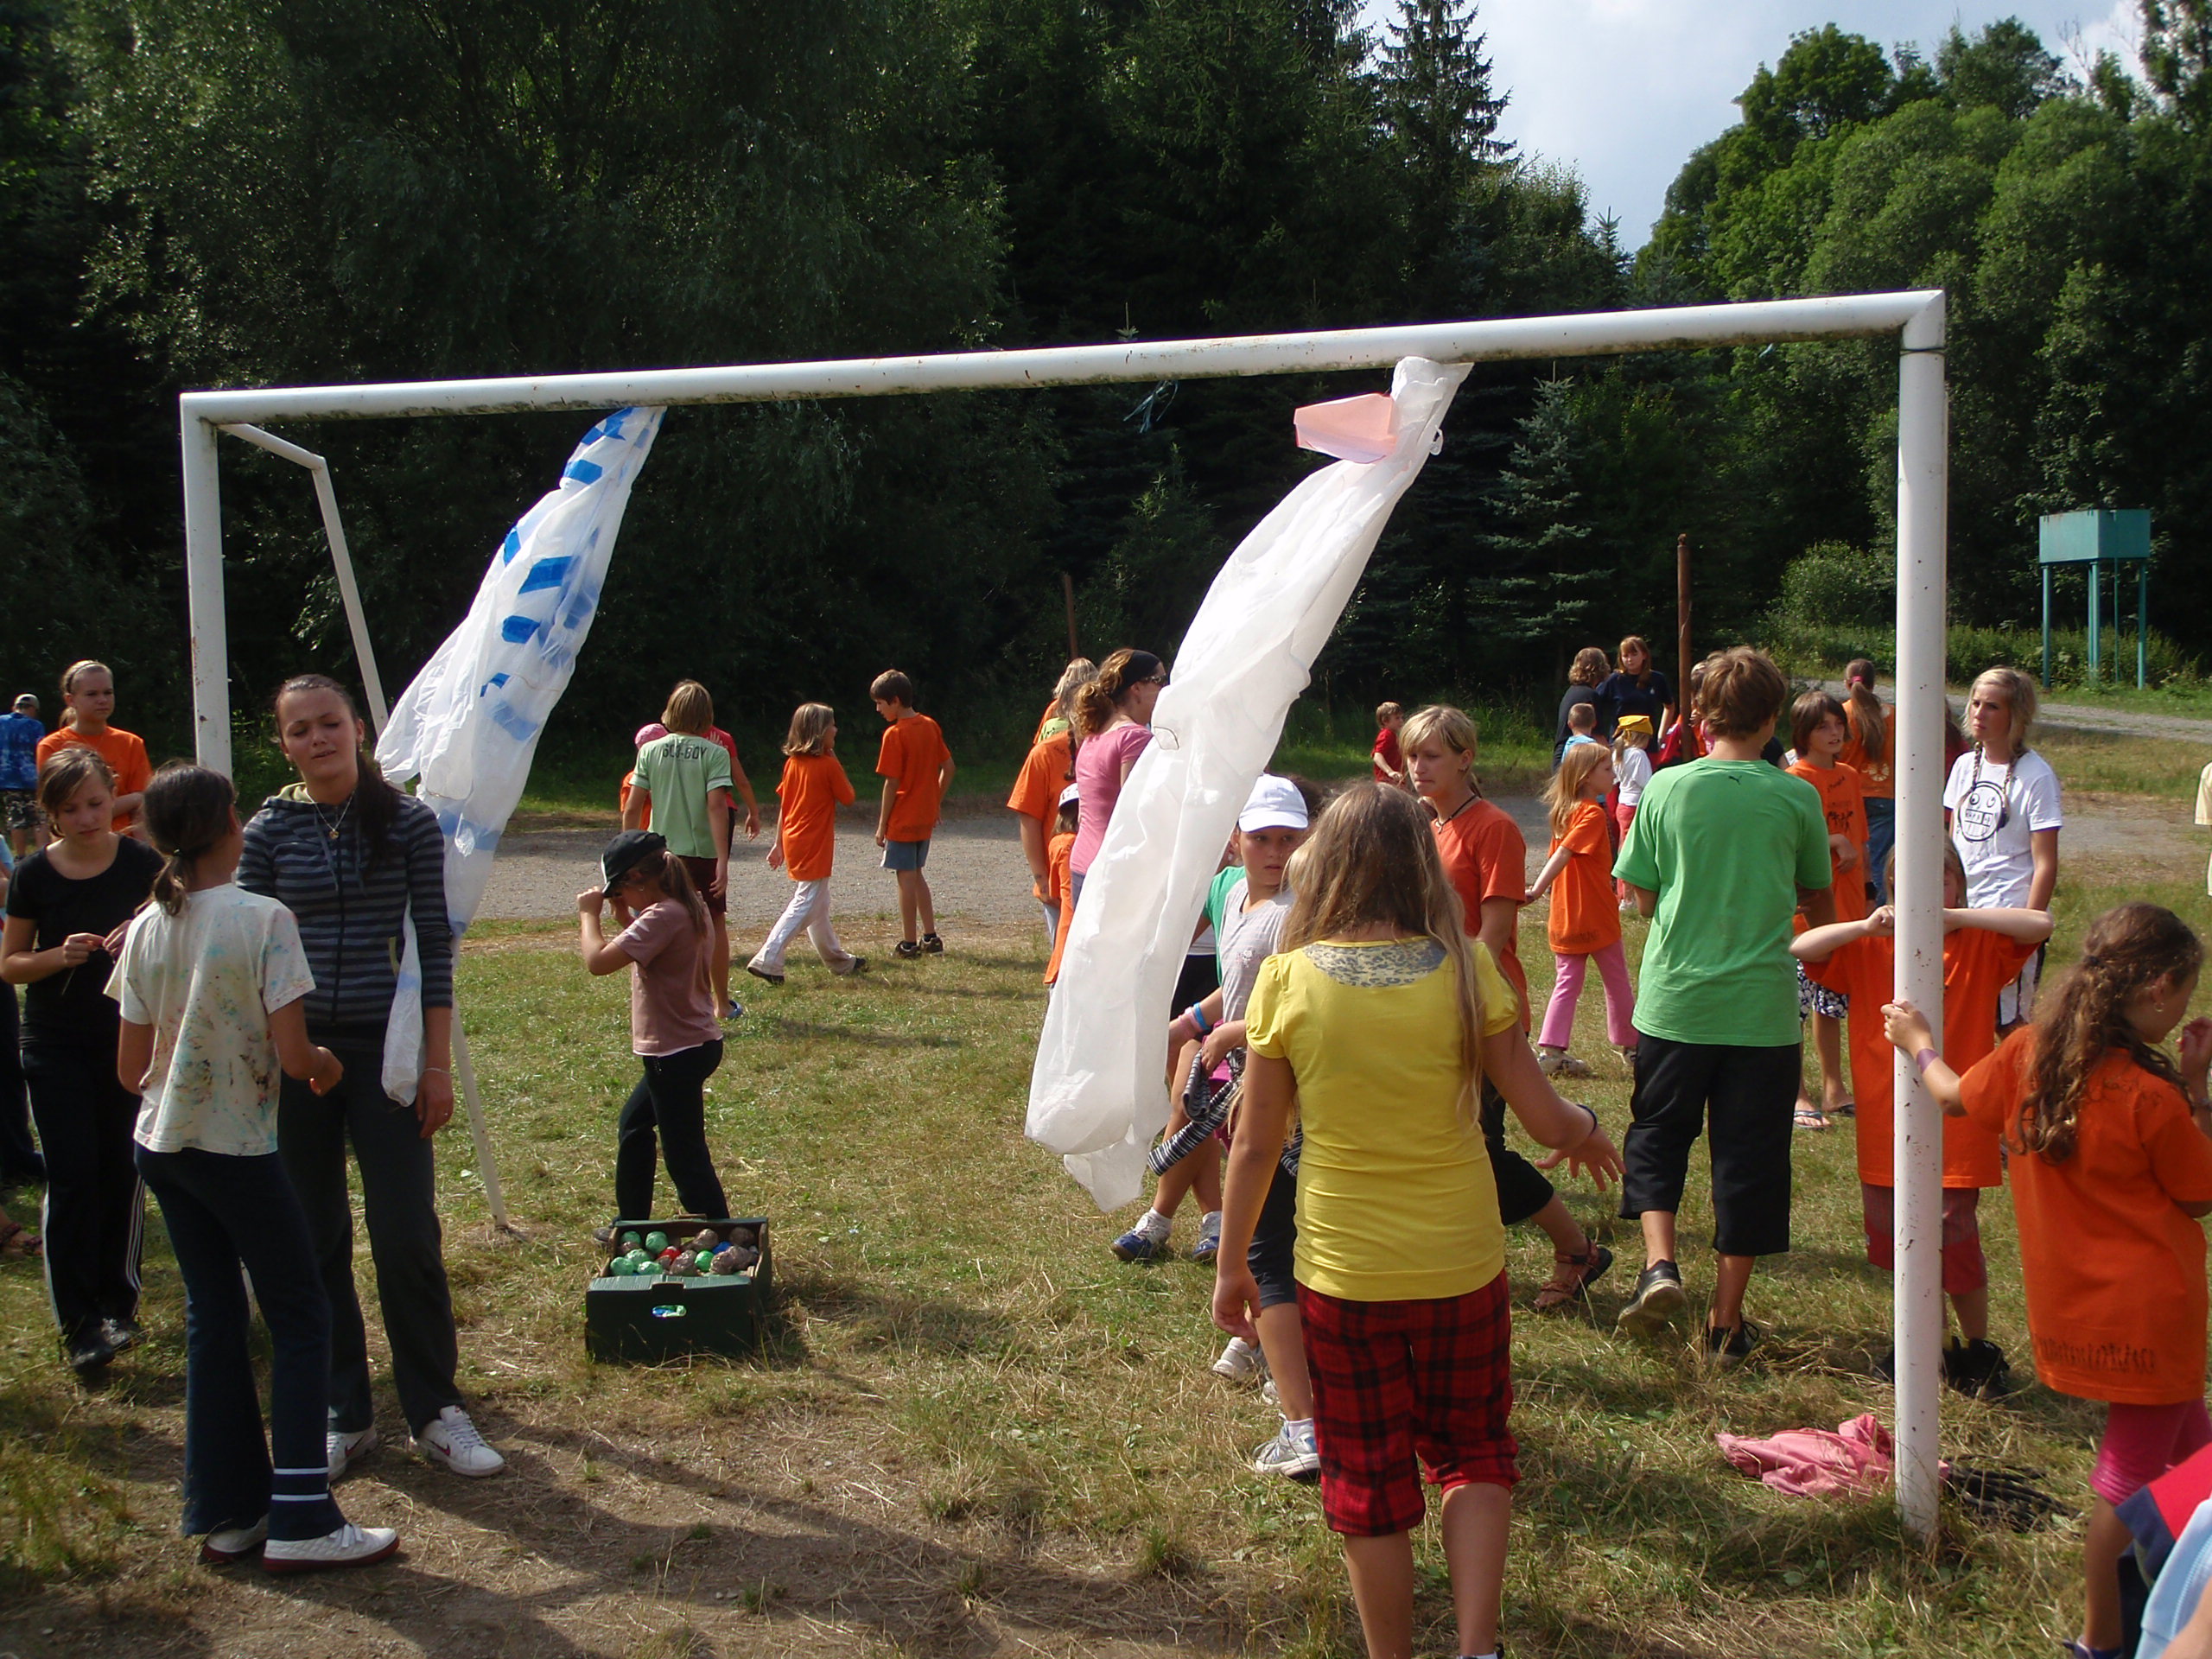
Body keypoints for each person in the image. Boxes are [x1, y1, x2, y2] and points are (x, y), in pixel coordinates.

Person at [1213, 783, 1620, 1659]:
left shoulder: (1287, 980)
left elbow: (1253, 1146)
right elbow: (1546, 1122)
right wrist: (1586, 1128)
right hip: (1462, 1264)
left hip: (1340, 1274)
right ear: (1422, 868)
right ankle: (1478, 1649)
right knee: (1473, 1453)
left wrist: (1232, 1265)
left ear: (1323, 865)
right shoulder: (1467, 967)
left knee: (1366, 1480)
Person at [1885, 903, 2212, 1659]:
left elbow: (1954, 1096)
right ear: (2157, 989)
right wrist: (2199, 1089)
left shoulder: (2027, 1052)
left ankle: (2181, 1587)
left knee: (2196, 1461)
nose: (2182, 1010)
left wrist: (1919, 1042)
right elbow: (2201, 1194)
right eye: (2185, 993)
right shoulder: (2151, 1098)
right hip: (2152, 1318)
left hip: (2076, 1316)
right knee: (2127, 1490)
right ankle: (2102, 1640)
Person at [111, 763, 400, 1573]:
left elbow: (130, 1070)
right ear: (228, 827)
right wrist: (328, 1067)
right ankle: (302, 1516)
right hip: (233, 1147)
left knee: (214, 1316)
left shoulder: (146, 926)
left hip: (161, 1147)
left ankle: (230, 1510)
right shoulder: (264, 918)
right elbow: (297, 1055)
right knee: (301, 1315)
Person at [240, 674, 503, 1481]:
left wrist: (436, 1066)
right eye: (300, 730)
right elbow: (246, 941)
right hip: (297, 1058)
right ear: (283, 744)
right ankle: (343, 1412)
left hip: (387, 1054)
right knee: (313, 1235)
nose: (317, 739)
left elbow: (435, 943)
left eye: (330, 723)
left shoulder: (407, 820)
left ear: (358, 729)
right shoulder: (269, 829)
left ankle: (435, 1409)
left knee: (404, 1233)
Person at [1611, 647, 1835, 1362]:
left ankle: (1659, 1264)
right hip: (1761, 1011)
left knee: (1658, 1133)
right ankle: (1726, 1321)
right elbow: (1817, 896)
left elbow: (1640, 895)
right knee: (1751, 1159)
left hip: (1676, 1001)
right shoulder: (1797, 796)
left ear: (1704, 717)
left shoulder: (1666, 787)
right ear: (1774, 719)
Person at [1794, 845, 2051, 1393]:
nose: (1927, 891)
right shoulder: (1873, 945)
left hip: (1956, 1122)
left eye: (1942, 878)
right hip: (1884, 1126)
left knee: (1954, 1240)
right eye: (1907, 881)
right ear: (1889, 889)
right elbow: (1802, 946)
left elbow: (2040, 924)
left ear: (1959, 884)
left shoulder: (1977, 942)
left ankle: (1977, 1349)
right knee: (1901, 1243)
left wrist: (1953, 916)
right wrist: (1866, 925)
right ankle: (1924, 1345)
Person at [1402, 704, 1614, 1314]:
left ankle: (1577, 1249)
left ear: (1465, 759)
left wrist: (1448, 1000)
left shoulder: (1493, 827)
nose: (1417, 767)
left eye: (1431, 755)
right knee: (1449, 1143)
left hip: (1482, 1007)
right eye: (1412, 755)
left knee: (1479, 1151)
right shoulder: (1428, 825)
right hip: (1436, 1004)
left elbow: (1492, 935)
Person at [1151, 775, 1316, 1475]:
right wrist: (1190, 1023)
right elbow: (1238, 977)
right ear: (1236, 841)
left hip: (1285, 1079)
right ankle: (1258, 1337)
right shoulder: (1228, 892)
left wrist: (1235, 1032)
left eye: (1289, 839)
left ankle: (1277, 1359)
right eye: (1262, 838)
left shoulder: (1301, 910)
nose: (1276, 852)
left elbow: (1305, 999)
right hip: (1240, 1069)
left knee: (1275, 1223)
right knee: (1260, 1215)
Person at [1, 748, 161, 1376]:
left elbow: (175, 914)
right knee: (72, 1176)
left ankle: (119, 1307)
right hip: (55, 1041)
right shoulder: (34, 874)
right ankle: (79, 1325)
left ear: (113, 795)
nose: (88, 818)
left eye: (96, 804)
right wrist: (57, 956)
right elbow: (11, 965)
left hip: (128, 1035)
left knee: (122, 1171)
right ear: (51, 814)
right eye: (71, 810)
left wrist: (140, 925)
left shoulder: (143, 862)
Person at [578, 830, 732, 1224]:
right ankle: (631, 1222)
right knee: (634, 1126)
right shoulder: (688, 904)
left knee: (684, 1154)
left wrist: (589, 915)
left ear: (637, 879)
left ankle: (721, 1230)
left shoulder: (662, 916)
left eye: (620, 891)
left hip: (673, 1052)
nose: (622, 899)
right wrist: (623, 917)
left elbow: (597, 961)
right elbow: (655, 944)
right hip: (693, 1044)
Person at [1945, 666, 2061, 1033]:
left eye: (1992, 706)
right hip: (1964, 912)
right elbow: (1953, 840)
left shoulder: (2036, 776)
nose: (1979, 713)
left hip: (2008, 912)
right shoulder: (1964, 765)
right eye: (1976, 703)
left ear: (2016, 715)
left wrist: (2027, 932)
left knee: (2010, 1023)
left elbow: (2046, 862)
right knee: (1964, 1016)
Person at [625, 683, 741, 1020]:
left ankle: (659, 999)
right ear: (706, 715)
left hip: (660, 852)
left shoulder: (650, 751)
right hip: (701, 852)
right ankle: (720, 1003)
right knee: (713, 922)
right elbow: (717, 807)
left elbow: (633, 806)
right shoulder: (715, 753)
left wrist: (628, 850)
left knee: (656, 922)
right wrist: (723, 860)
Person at [1527, 745, 1635, 1090]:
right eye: (1607, 769)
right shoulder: (1590, 813)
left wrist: (1544, 892)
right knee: (1616, 980)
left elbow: (1559, 855)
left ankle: (1551, 1050)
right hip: (1595, 914)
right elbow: (1563, 855)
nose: (1613, 775)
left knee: (1567, 982)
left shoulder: (1564, 811)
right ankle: (1632, 1046)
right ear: (1587, 777)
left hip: (1566, 916)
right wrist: (1536, 888)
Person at [1787, 690, 1869, 1132]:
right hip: (1807, 912)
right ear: (1803, 733)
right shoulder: (1793, 780)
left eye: (1838, 723)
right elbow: (1790, 844)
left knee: (1833, 1002)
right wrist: (1830, 839)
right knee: (1796, 1005)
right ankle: (1798, 1092)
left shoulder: (1850, 775)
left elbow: (1862, 839)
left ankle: (1835, 1088)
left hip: (1849, 907)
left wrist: (1870, 893)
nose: (1835, 732)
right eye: (1823, 726)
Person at [749, 703, 863, 982]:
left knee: (819, 905)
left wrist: (779, 843)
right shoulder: (827, 765)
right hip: (814, 844)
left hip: (794, 839)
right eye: (831, 725)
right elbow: (848, 797)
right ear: (819, 732)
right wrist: (834, 758)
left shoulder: (792, 764)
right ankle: (768, 959)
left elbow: (785, 806)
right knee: (806, 903)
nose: (836, 729)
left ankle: (840, 962)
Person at [1068, 649, 1164, 909]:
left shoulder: (1093, 735)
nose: (1164, 691)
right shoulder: (1135, 737)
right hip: (1114, 868)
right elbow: (1138, 812)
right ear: (1137, 688)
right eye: (1159, 681)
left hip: (1083, 862)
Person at [870, 670, 955, 959]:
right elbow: (949, 768)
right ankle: (931, 936)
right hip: (925, 815)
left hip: (903, 817)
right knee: (917, 873)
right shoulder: (930, 725)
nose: (878, 710)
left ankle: (908, 943)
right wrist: (935, 801)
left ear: (895, 701)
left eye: (880, 703)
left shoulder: (894, 735)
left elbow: (891, 783)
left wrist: (882, 824)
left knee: (905, 878)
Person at [1007, 664, 1091, 949]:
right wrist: (1042, 879)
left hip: (1102, 877)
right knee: (1063, 957)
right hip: (1060, 882)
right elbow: (1028, 817)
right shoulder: (1044, 755)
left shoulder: (1112, 749)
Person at [36, 662, 152, 836]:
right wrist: (133, 799)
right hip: (76, 843)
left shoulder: (131, 743)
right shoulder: (52, 746)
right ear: (70, 700)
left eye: (108, 693)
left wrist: (144, 849)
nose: (102, 700)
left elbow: (143, 807)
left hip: (124, 842)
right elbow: (61, 810)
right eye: (92, 694)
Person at [1839, 659, 1895, 901]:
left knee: (1850, 860)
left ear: (1846, 683)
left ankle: (1853, 906)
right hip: (1885, 794)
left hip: (1849, 794)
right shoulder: (1893, 714)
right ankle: (1880, 910)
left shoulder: (1841, 714)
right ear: (1874, 684)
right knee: (1880, 862)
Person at [1596, 635, 1676, 741]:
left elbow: (1669, 706)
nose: (1630, 659)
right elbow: (1593, 703)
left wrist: (1661, 735)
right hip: (1620, 741)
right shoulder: (1614, 680)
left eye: (1634, 654)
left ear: (1644, 655)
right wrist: (1598, 735)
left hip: (1647, 741)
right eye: (1625, 656)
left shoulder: (1657, 679)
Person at [1610, 715, 1654, 907]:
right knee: (1632, 850)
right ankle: (1627, 898)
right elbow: (1647, 783)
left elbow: (1615, 780)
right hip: (1636, 805)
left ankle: (1624, 894)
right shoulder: (1638, 755)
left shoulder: (1620, 753)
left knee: (1624, 847)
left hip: (1623, 804)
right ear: (1641, 737)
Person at [0, 692, 45, 859]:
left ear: (15, 707)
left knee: (16, 819)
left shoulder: (1, 722)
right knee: (39, 818)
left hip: (7, 779)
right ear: (33, 709)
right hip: (32, 778)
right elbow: (40, 750)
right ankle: (42, 855)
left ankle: (20, 857)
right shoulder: (36, 726)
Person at [1043, 787, 1078, 987]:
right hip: (1076, 918)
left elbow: (1054, 891)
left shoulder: (1056, 842)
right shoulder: (1076, 843)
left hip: (1065, 917)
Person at [1554, 646, 1611, 764]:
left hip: (1563, 754)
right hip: (1577, 757)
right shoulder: (1590, 695)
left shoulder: (1571, 692)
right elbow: (1597, 736)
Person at [617, 721, 664, 828]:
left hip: (641, 833)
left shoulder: (631, 778)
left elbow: (629, 811)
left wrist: (629, 836)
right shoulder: (676, 775)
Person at [1370, 702, 1406, 787]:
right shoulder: (1386, 735)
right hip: (1387, 782)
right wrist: (1390, 772)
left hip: (1395, 781)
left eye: (1401, 717)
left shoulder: (1393, 735)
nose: (1401, 721)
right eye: (1397, 718)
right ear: (1385, 721)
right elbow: (1377, 756)